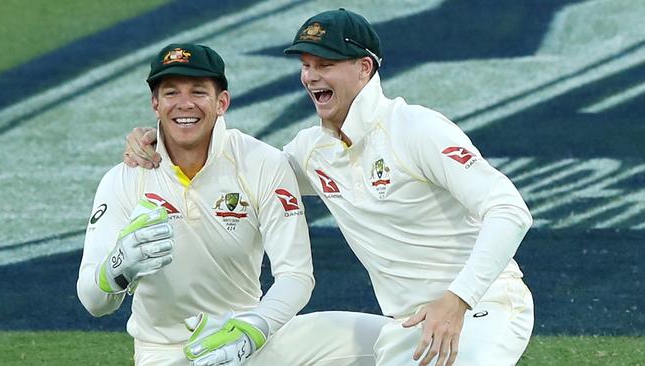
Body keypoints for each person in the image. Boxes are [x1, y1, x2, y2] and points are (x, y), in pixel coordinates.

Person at [124, 9, 535, 366]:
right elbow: (244, 174)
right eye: (306, 64)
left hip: (483, 308)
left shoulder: (415, 129)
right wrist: (163, 137)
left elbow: (510, 211)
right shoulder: (312, 151)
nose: (310, 76)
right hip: (407, 325)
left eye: (324, 64)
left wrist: (456, 300)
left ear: (364, 68)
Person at [78, 42, 389, 366]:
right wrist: (115, 268)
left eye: (198, 92)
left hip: (252, 339)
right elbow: (93, 301)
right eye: (171, 93)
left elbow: (296, 276)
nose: (185, 105)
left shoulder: (261, 163)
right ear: (155, 104)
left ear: (221, 102)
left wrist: (253, 328)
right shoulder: (125, 178)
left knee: (402, 340)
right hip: (166, 354)